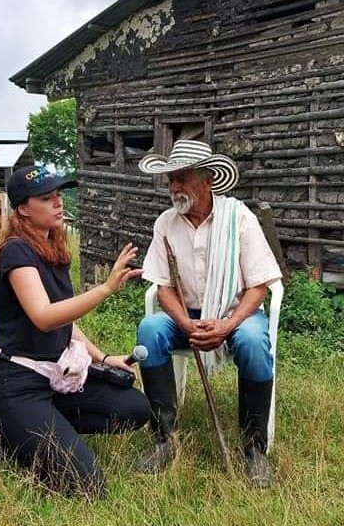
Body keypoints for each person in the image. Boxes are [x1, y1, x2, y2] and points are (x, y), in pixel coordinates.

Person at [0, 165, 151, 497]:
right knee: (88, 487)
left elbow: (65, 322)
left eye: (59, 195)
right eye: (46, 198)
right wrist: (104, 289)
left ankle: (40, 429)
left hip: (56, 377)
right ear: (22, 209)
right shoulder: (17, 251)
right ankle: (5, 434)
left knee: (135, 409)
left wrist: (102, 357)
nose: (58, 203)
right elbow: (44, 317)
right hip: (16, 383)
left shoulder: (53, 250)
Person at [134, 140, 283, 487]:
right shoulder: (166, 224)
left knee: (253, 342)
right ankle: (164, 440)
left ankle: (254, 449)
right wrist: (185, 322)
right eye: (171, 179)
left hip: (236, 313)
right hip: (186, 315)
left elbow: (259, 285)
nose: (174, 187)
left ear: (208, 181)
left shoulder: (239, 218)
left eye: (182, 178)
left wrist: (228, 324)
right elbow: (163, 287)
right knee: (151, 329)